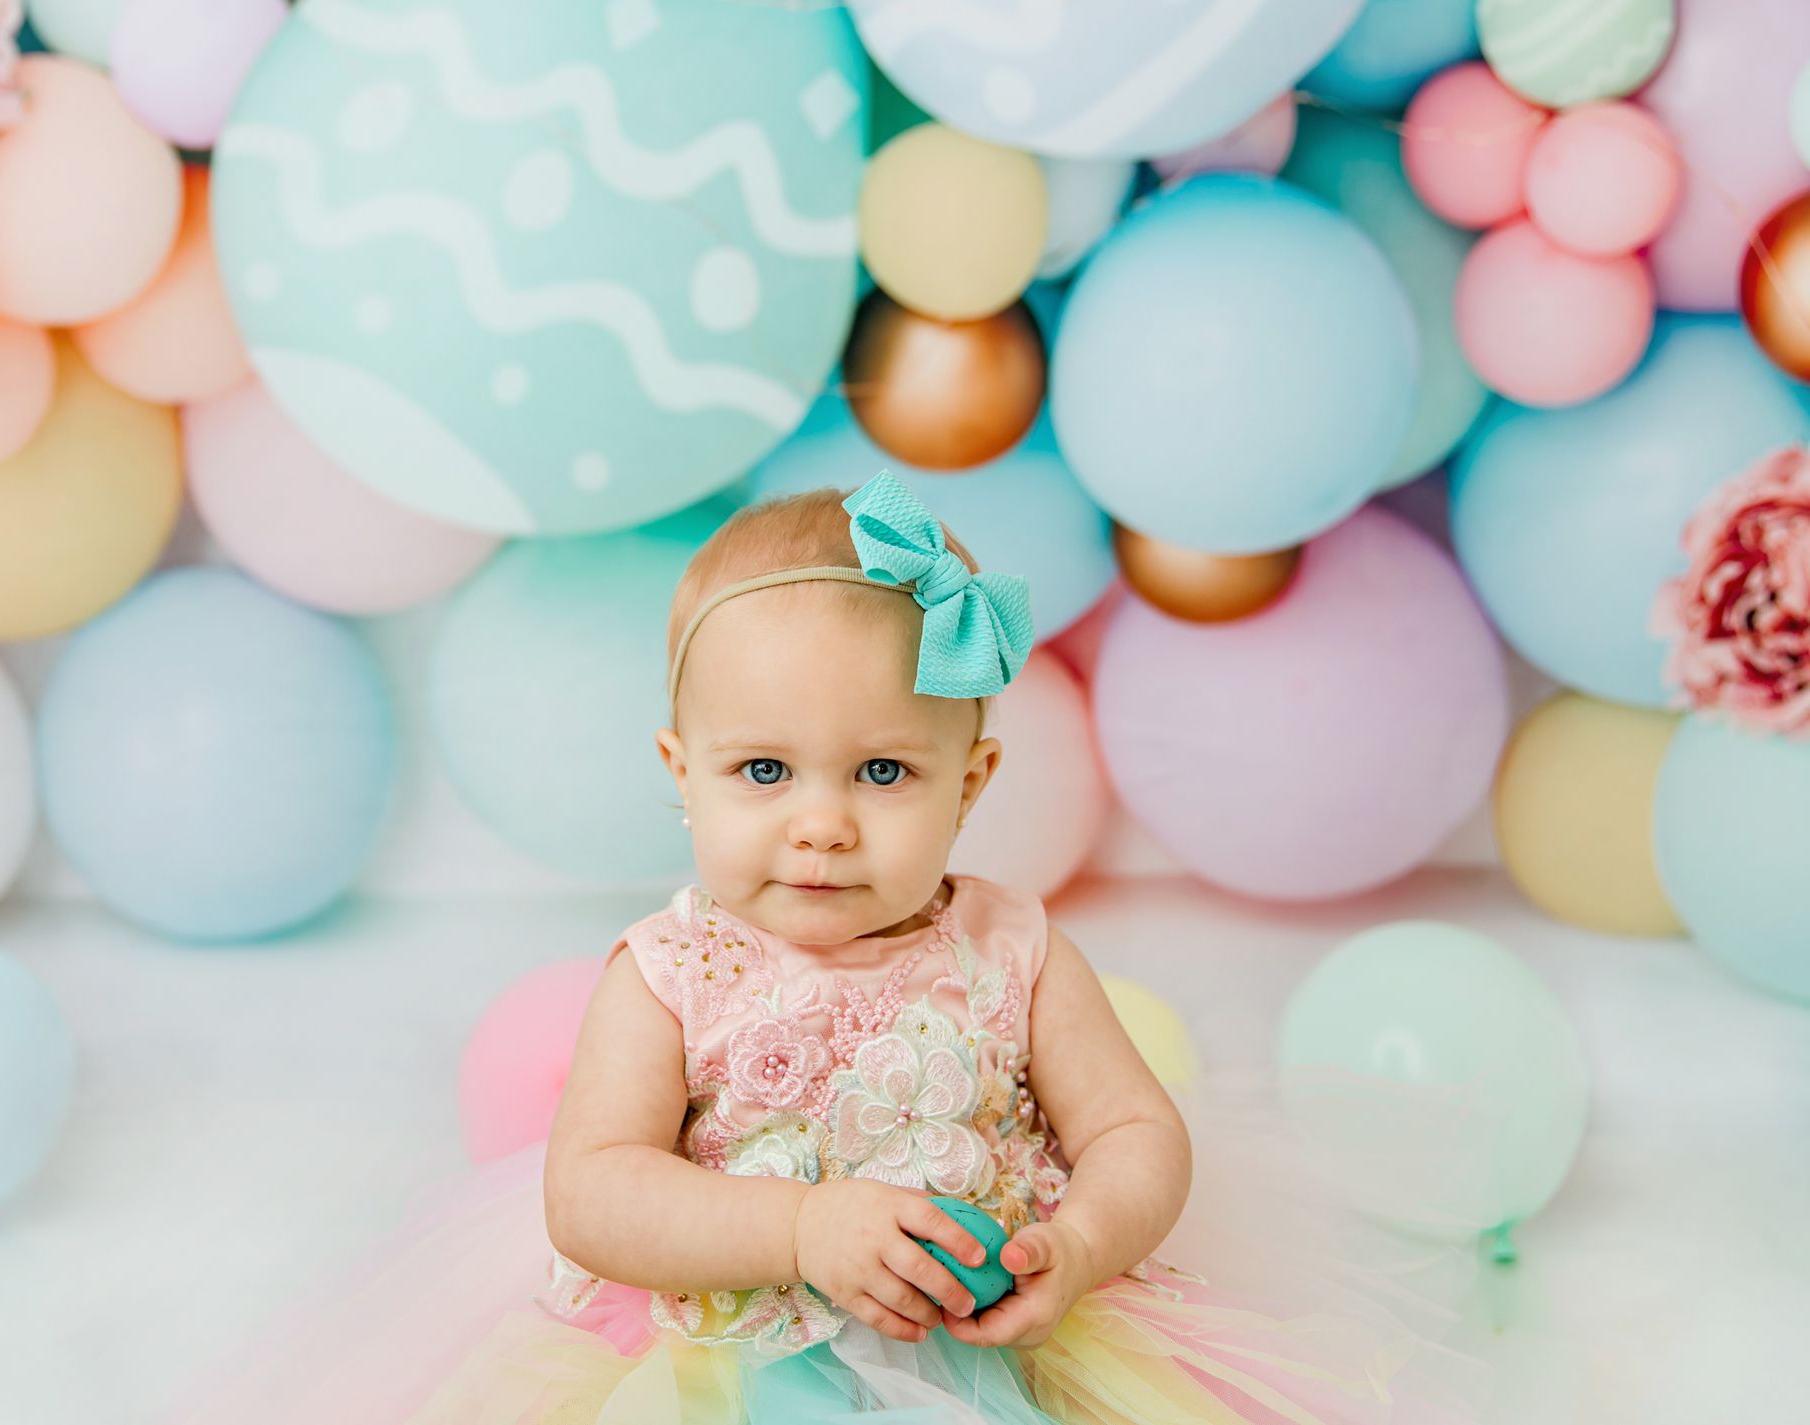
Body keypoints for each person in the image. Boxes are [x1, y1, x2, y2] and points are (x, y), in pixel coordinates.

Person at [173, 473, 1493, 1424]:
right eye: (763, 770)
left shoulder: (1014, 948)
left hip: (1000, 1356)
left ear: (970, 781)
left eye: (881, 770)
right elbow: (593, 1193)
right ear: (679, 773)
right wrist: (802, 1225)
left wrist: (1084, 1243)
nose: (821, 823)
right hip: (732, 1364)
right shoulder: (668, 973)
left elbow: (1138, 1132)